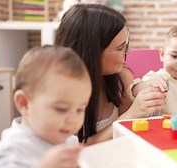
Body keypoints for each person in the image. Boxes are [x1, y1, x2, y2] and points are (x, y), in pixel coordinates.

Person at [54, 4, 166, 145]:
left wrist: (147, 95)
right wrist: (130, 115)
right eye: (120, 48)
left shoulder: (121, 77)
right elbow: (73, 150)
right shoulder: (61, 92)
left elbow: (128, 135)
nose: (127, 52)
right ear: (93, 51)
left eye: (125, 45)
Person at [0, 45, 92, 168]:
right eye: (61, 109)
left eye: (80, 109)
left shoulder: (68, 140)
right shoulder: (11, 151)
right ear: (24, 103)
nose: (73, 119)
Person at [132, 26, 177, 115]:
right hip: (161, 127)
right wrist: (148, 84)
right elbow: (134, 91)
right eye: (174, 56)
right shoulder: (155, 78)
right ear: (162, 55)